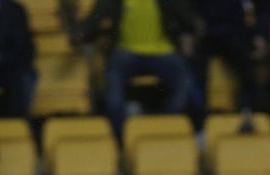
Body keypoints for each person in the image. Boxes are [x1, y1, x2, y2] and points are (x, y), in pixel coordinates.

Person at [75, 0, 197, 136]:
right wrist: (79, 36)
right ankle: (120, 137)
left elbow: (187, 20)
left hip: (163, 52)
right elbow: (92, 21)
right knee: (113, 94)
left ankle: (162, 126)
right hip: (125, 52)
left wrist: (188, 34)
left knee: (186, 83)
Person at [190, 0, 265, 124]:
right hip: (208, 33)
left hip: (234, 33)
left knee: (249, 70)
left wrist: (256, 34)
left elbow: (251, 10)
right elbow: (195, 10)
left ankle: (248, 112)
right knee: (196, 73)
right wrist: (194, 27)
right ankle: (199, 122)